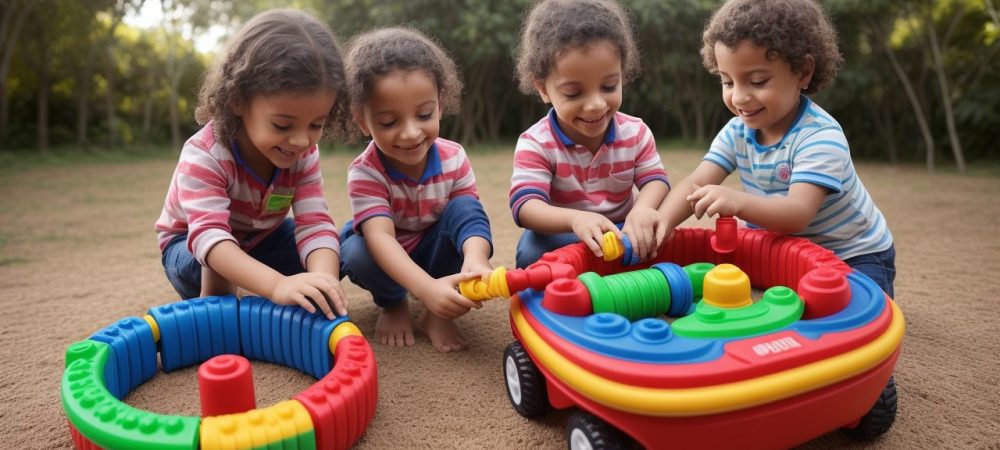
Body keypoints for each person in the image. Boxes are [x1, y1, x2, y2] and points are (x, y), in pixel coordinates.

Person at [657, 0, 896, 296]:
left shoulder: (819, 136)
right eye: (727, 82)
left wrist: (738, 201)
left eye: (758, 80)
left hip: (850, 255)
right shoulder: (736, 132)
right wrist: (662, 222)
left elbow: (797, 213)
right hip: (782, 249)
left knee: (844, 307)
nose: (740, 97)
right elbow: (696, 182)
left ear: (803, 72)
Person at [155, 9, 349, 319]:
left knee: (334, 255)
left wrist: (324, 281)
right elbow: (210, 238)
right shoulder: (206, 154)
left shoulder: (302, 155)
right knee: (211, 260)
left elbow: (314, 223)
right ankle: (226, 301)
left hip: (261, 241)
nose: (301, 141)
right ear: (238, 101)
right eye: (283, 125)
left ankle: (252, 289)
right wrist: (275, 286)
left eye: (316, 125)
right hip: (192, 250)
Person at [336, 27, 494, 353]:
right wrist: (424, 291)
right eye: (389, 122)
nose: (410, 133)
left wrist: (476, 257)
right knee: (354, 250)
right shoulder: (365, 172)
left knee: (464, 208)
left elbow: (469, 216)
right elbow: (380, 239)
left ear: (440, 104)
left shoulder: (454, 158)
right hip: (390, 255)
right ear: (363, 122)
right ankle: (393, 302)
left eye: (424, 114)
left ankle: (438, 312)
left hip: (435, 251)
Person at [509, 0, 671, 270]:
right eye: (574, 93)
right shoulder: (536, 143)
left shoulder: (636, 132)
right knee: (530, 253)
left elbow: (656, 180)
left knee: (658, 237)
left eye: (609, 86)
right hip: (563, 234)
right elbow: (526, 206)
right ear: (543, 89)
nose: (596, 104)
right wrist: (576, 220)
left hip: (622, 230)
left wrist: (642, 211)